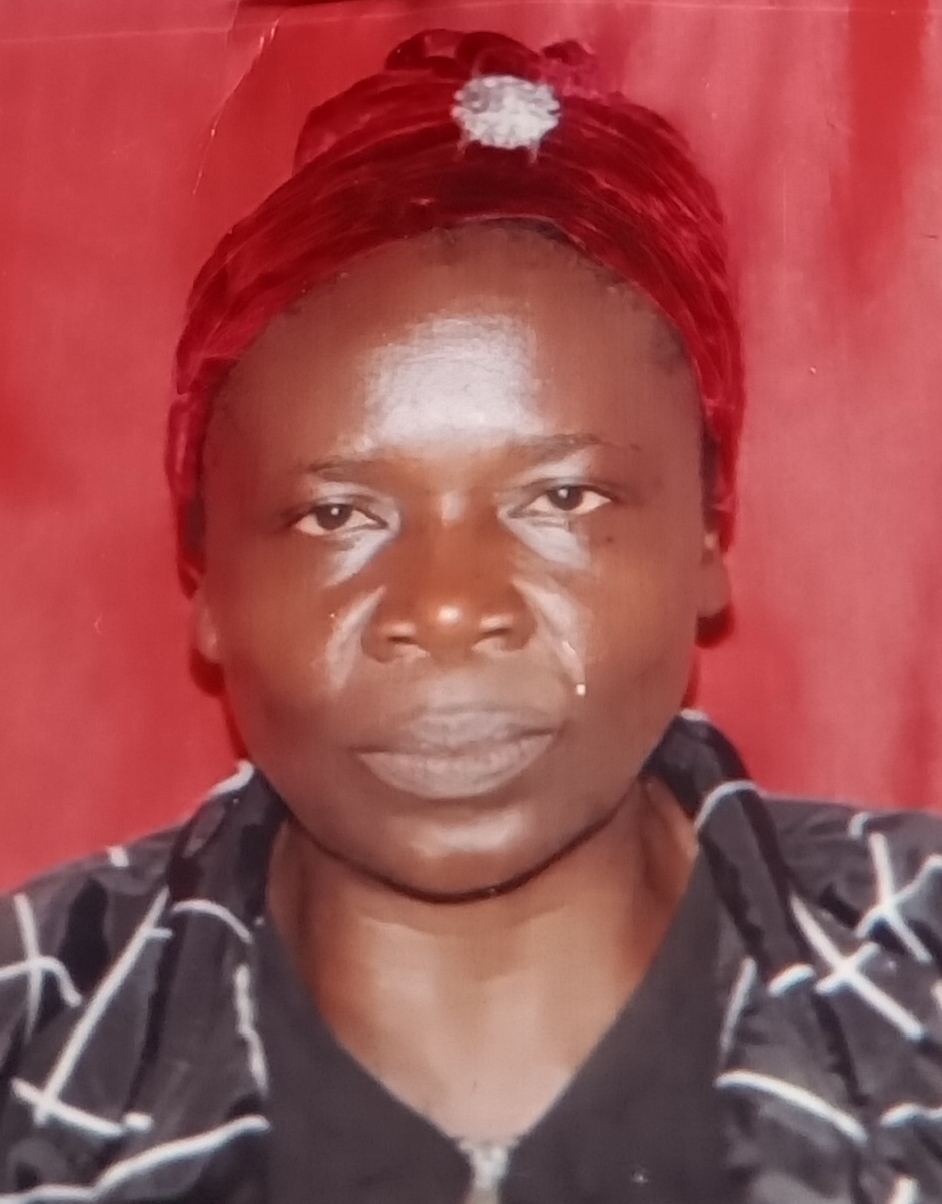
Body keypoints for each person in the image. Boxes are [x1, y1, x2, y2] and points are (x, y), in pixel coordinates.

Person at [1, 27, 941, 1204]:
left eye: (563, 499)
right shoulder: (29, 1029)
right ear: (207, 586)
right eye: (337, 514)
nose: (448, 608)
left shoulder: (920, 964)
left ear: (708, 536)